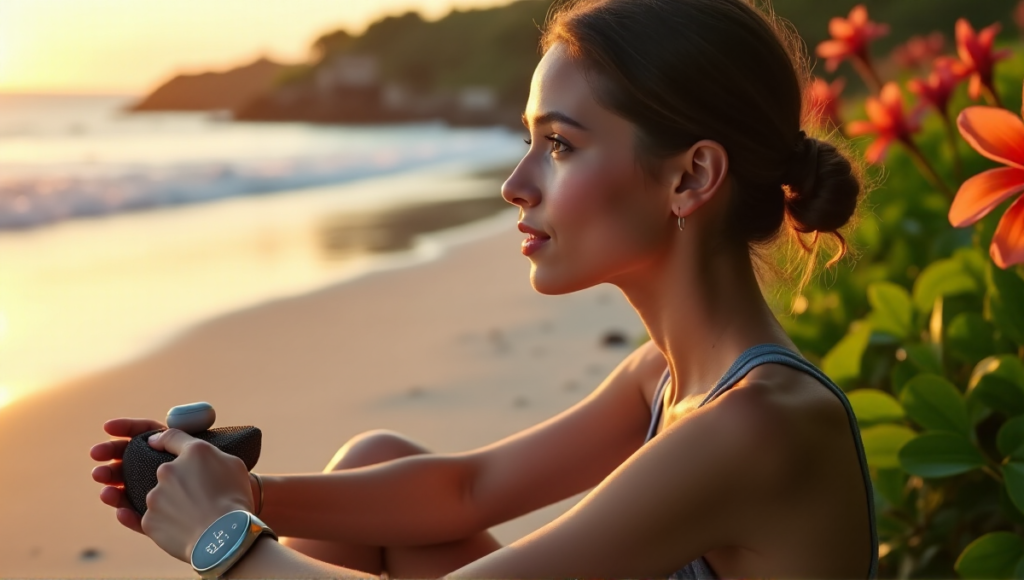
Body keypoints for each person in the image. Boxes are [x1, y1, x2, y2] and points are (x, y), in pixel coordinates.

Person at [89, 0, 878, 577]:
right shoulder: (667, 379)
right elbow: (469, 491)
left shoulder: (758, 425)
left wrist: (222, 538)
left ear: (690, 177)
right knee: (378, 457)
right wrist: (250, 490)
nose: (514, 185)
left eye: (560, 145)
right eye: (527, 141)